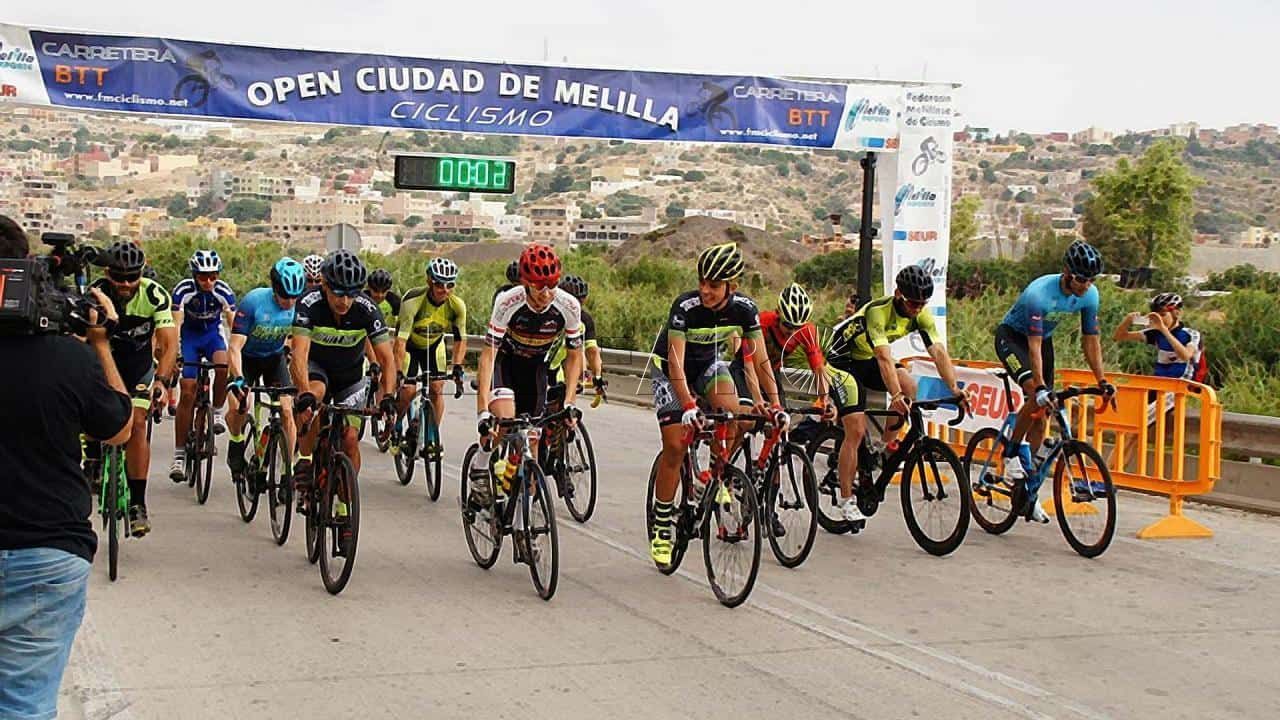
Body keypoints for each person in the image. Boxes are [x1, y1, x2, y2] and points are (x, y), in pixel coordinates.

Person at [0, 216, 133, 719]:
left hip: (46, 557)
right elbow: (119, 429)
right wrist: (98, 344)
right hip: (46, 556)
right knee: (25, 706)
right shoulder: (67, 359)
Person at [648, 243, 784, 565]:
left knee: (736, 416)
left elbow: (762, 361)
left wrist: (775, 404)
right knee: (675, 445)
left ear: (731, 286)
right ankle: (663, 523)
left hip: (709, 365)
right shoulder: (685, 306)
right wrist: (689, 407)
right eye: (702, 282)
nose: (705, 290)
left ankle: (713, 472)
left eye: (714, 285)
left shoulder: (745, 310)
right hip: (671, 371)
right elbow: (677, 363)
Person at [826, 266, 968, 524]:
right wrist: (895, 396)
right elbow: (883, 358)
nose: (917, 308)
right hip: (841, 361)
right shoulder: (878, 313)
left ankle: (883, 447)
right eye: (913, 302)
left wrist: (955, 390)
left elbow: (938, 352)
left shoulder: (921, 315)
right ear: (898, 294)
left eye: (922, 303)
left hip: (865, 357)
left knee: (910, 387)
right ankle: (846, 501)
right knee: (855, 430)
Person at [994, 241, 1114, 522]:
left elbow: (1091, 341)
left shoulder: (1090, 295)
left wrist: (1103, 379)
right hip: (1013, 339)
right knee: (1034, 393)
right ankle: (1011, 452)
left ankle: (1028, 491)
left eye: (1091, 280)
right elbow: (1032, 346)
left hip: (1043, 341)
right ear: (1067, 273)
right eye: (1082, 279)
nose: (1086, 285)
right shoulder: (1039, 293)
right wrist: (1039, 386)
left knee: (1043, 414)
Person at [733, 283, 860, 531]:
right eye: (787, 326)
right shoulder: (762, 321)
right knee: (746, 421)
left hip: (772, 374)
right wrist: (759, 402)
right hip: (744, 370)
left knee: (778, 434)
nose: (791, 332)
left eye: (797, 328)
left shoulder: (807, 331)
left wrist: (825, 400)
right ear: (779, 314)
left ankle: (768, 509)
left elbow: (819, 369)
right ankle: (726, 466)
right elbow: (749, 366)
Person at [290, 250, 397, 541]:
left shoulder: (367, 308)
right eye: (337, 292)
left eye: (351, 293)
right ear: (324, 284)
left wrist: (387, 398)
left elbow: (388, 360)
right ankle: (306, 458)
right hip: (317, 369)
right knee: (314, 396)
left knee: (350, 438)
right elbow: (298, 356)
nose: (344, 301)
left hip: (350, 377)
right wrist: (303, 396)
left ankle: (344, 502)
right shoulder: (309, 304)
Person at [473, 244, 583, 512]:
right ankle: (479, 466)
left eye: (550, 286)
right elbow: (488, 355)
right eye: (538, 287)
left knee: (531, 446)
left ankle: (524, 527)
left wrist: (569, 401)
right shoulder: (508, 302)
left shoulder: (568, 305)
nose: (545, 294)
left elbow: (575, 357)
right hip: (506, 365)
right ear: (525, 283)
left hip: (536, 370)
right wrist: (481, 412)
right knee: (505, 424)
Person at [88, 241, 179, 536]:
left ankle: (138, 503)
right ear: (107, 272)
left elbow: (168, 344)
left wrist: (163, 383)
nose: (126, 283)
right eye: (119, 276)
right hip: (103, 364)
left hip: (138, 367)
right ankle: (93, 453)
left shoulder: (154, 294)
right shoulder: (94, 293)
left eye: (132, 276)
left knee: (137, 424)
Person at [225, 258, 306, 484]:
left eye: (294, 296)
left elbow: (301, 345)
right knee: (241, 405)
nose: (290, 302)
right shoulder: (253, 302)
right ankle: (236, 440)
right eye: (285, 296)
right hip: (247, 359)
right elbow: (234, 346)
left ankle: (286, 471)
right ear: (274, 288)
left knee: (288, 412)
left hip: (274, 359)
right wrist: (239, 378)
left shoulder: (299, 307)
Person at [169, 249, 236, 482]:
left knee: (222, 366)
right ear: (194, 275)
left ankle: (217, 411)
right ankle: (178, 454)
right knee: (187, 391)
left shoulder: (223, 291)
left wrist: (238, 349)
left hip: (212, 336)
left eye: (213, 276)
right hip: (190, 338)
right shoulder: (183, 290)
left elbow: (233, 323)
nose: (208, 281)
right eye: (203, 277)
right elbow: (176, 324)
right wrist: (175, 354)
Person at [394, 257, 467, 456]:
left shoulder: (457, 305)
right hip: (410, 346)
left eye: (450, 284)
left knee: (436, 388)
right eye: (439, 284)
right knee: (408, 391)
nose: (445, 289)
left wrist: (458, 367)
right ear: (429, 281)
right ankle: (398, 423)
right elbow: (400, 342)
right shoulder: (413, 302)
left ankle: (432, 436)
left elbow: (461, 340)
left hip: (434, 346)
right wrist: (398, 372)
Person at [1113, 292, 1203, 381]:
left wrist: (1164, 330)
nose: (1159, 319)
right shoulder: (1156, 332)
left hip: (1182, 385)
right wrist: (1127, 321)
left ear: (1177, 313)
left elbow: (1185, 356)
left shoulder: (1191, 334)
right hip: (1160, 383)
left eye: (1163, 315)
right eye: (1156, 315)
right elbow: (1119, 336)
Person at [549, 275, 605, 401]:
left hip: (555, 369)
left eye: (580, 300)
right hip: (536, 366)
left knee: (567, 407)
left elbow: (592, 351)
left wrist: (597, 376)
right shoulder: (549, 312)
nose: (574, 304)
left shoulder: (585, 319)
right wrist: (597, 377)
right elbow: (591, 352)